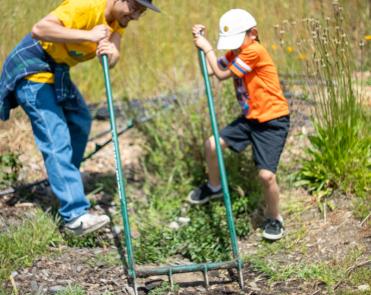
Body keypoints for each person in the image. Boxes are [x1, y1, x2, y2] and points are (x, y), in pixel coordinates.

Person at [0, 0, 160, 236]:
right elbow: (40, 29)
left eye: (142, 12)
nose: (136, 15)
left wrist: (110, 53)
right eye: (134, 8)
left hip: (57, 71)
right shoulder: (86, 6)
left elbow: (114, 53)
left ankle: (64, 184)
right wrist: (89, 34)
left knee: (80, 120)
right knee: (56, 137)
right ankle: (74, 216)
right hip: (33, 66)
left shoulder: (118, 20)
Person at [189, 9, 290, 241]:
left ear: (253, 34)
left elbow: (221, 74)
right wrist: (201, 42)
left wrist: (207, 48)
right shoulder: (237, 51)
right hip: (250, 118)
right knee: (212, 145)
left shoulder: (254, 51)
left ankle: (275, 218)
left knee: (266, 176)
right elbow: (213, 68)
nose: (233, 46)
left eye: (237, 40)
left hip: (272, 121)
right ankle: (214, 187)